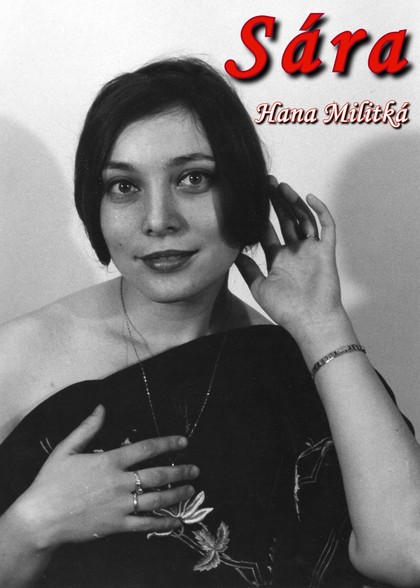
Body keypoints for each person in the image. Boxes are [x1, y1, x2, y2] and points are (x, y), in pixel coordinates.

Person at [0, 57, 419, 588]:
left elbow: (408, 554)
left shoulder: (302, 365)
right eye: (123, 187)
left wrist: (322, 323)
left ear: (246, 193)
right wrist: (33, 525)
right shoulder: (16, 360)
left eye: (192, 179)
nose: (158, 220)